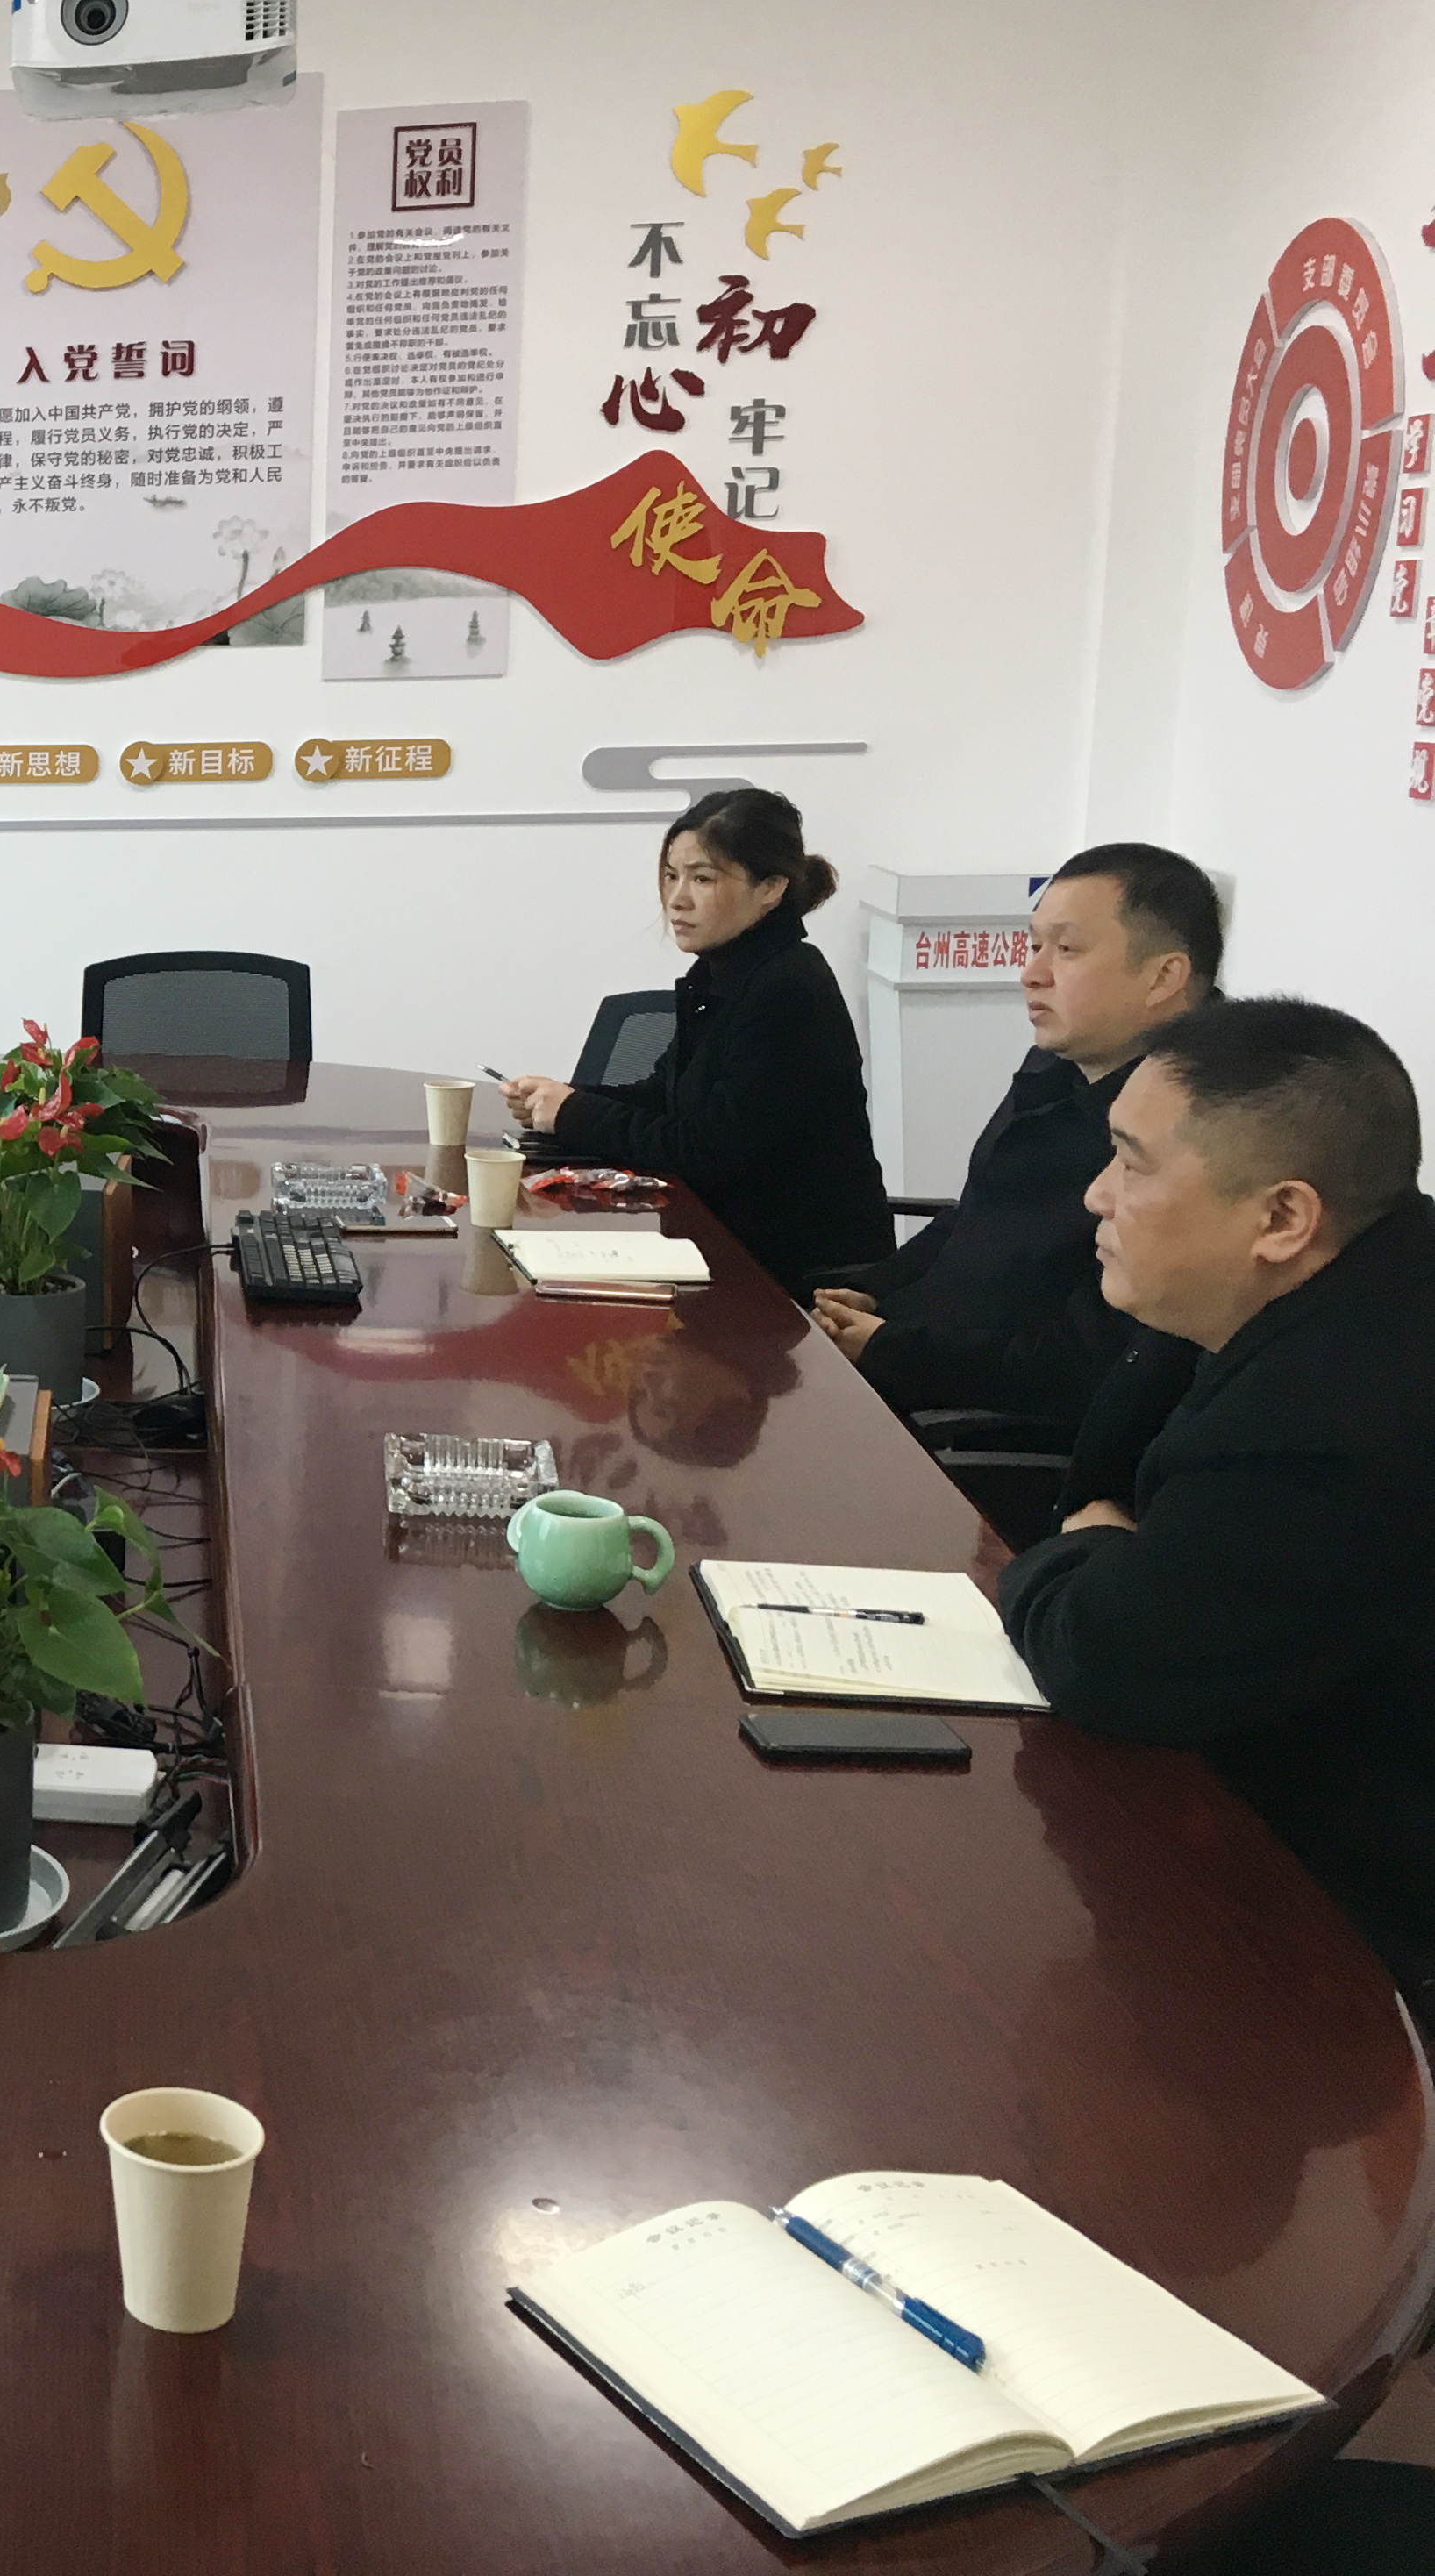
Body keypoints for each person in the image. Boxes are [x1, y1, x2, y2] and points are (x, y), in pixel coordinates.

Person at [997, 997, 1435, 2005]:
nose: (1096, 1195)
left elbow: (1107, 1655)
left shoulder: (1330, 1421)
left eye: (1132, 1163)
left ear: (1281, 1219)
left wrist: (1084, 1546)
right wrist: (1108, 1539)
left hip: (1339, 1951)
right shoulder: (1342, 1283)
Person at [810, 843, 1221, 1436]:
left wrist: (892, 1349)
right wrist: (870, 1293)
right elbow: (974, 1214)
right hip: (910, 1362)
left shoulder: (1194, 1128)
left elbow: (1083, 1364)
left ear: (1163, 976)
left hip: (973, 1419)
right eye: (1034, 945)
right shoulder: (1061, 1064)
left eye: (1067, 949)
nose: (1032, 973)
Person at [500, 787, 891, 1291]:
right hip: (721, 1245)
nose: (677, 899)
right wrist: (564, 1099)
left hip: (795, 1278)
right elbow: (667, 1096)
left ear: (770, 888)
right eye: (671, 875)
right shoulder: (725, 972)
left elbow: (709, 1151)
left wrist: (575, 1113)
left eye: (702, 878)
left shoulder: (787, 988)